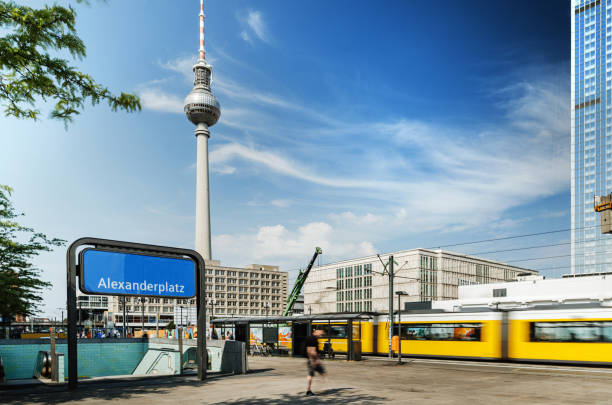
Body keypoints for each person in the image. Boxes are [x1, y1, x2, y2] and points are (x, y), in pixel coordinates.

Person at [305, 329, 326, 396]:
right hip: (313, 360)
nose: (322, 334)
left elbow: (309, 350)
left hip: (312, 359)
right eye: (321, 332)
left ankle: (319, 388)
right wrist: (315, 360)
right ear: (316, 331)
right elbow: (311, 351)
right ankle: (308, 390)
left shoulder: (312, 338)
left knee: (322, 373)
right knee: (311, 375)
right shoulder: (313, 338)